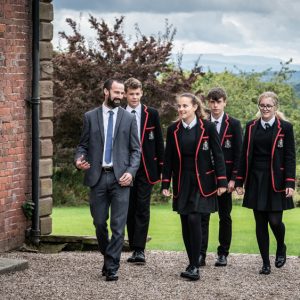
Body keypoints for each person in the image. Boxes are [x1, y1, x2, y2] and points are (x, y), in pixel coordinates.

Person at [74, 78, 141, 281]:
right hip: (97, 177)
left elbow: (136, 150)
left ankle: (112, 266)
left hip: (120, 178)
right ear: (105, 91)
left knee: (118, 227)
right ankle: (108, 256)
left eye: (122, 93)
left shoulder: (129, 118)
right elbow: (82, 146)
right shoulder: (90, 117)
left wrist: (131, 172)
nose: (120, 96)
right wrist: (78, 160)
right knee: (99, 223)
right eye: (117, 92)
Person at [162, 93, 227, 281]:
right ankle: (191, 262)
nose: (181, 109)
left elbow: (218, 154)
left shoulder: (207, 127)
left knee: (194, 219)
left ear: (195, 107)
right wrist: (166, 183)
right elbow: (168, 159)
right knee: (185, 222)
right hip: (182, 181)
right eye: (179, 106)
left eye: (185, 106)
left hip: (203, 181)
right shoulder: (173, 129)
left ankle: (195, 265)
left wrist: (222, 181)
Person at [235, 91, 296, 275]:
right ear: (259, 106)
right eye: (262, 105)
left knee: (275, 221)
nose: (265, 109)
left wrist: (290, 182)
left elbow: (290, 156)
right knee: (260, 222)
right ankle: (265, 263)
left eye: (269, 106)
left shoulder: (285, 127)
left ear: (275, 107)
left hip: (276, 179)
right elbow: (244, 154)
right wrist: (240, 180)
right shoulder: (251, 126)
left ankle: (281, 246)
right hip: (255, 179)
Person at [200, 88, 243, 267]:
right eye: (212, 101)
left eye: (218, 101)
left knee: (225, 216)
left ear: (225, 102)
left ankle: (223, 253)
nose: (215, 105)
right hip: (206, 178)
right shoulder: (201, 123)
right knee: (203, 216)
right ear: (208, 103)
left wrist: (234, 179)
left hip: (226, 178)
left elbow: (239, 154)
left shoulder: (234, 124)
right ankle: (200, 254)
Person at [124, 78, 165, 264]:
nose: (134, 97)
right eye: (131, 94)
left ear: (142, 93)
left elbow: (158, 142)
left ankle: (139, 250)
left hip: (147, 169)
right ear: (125, 94)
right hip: (125, 170)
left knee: (142, 208)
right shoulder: (119, 114)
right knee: (128, 209)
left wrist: (163, 170)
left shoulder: (152, 114)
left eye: (137, 93)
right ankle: (133, 246)